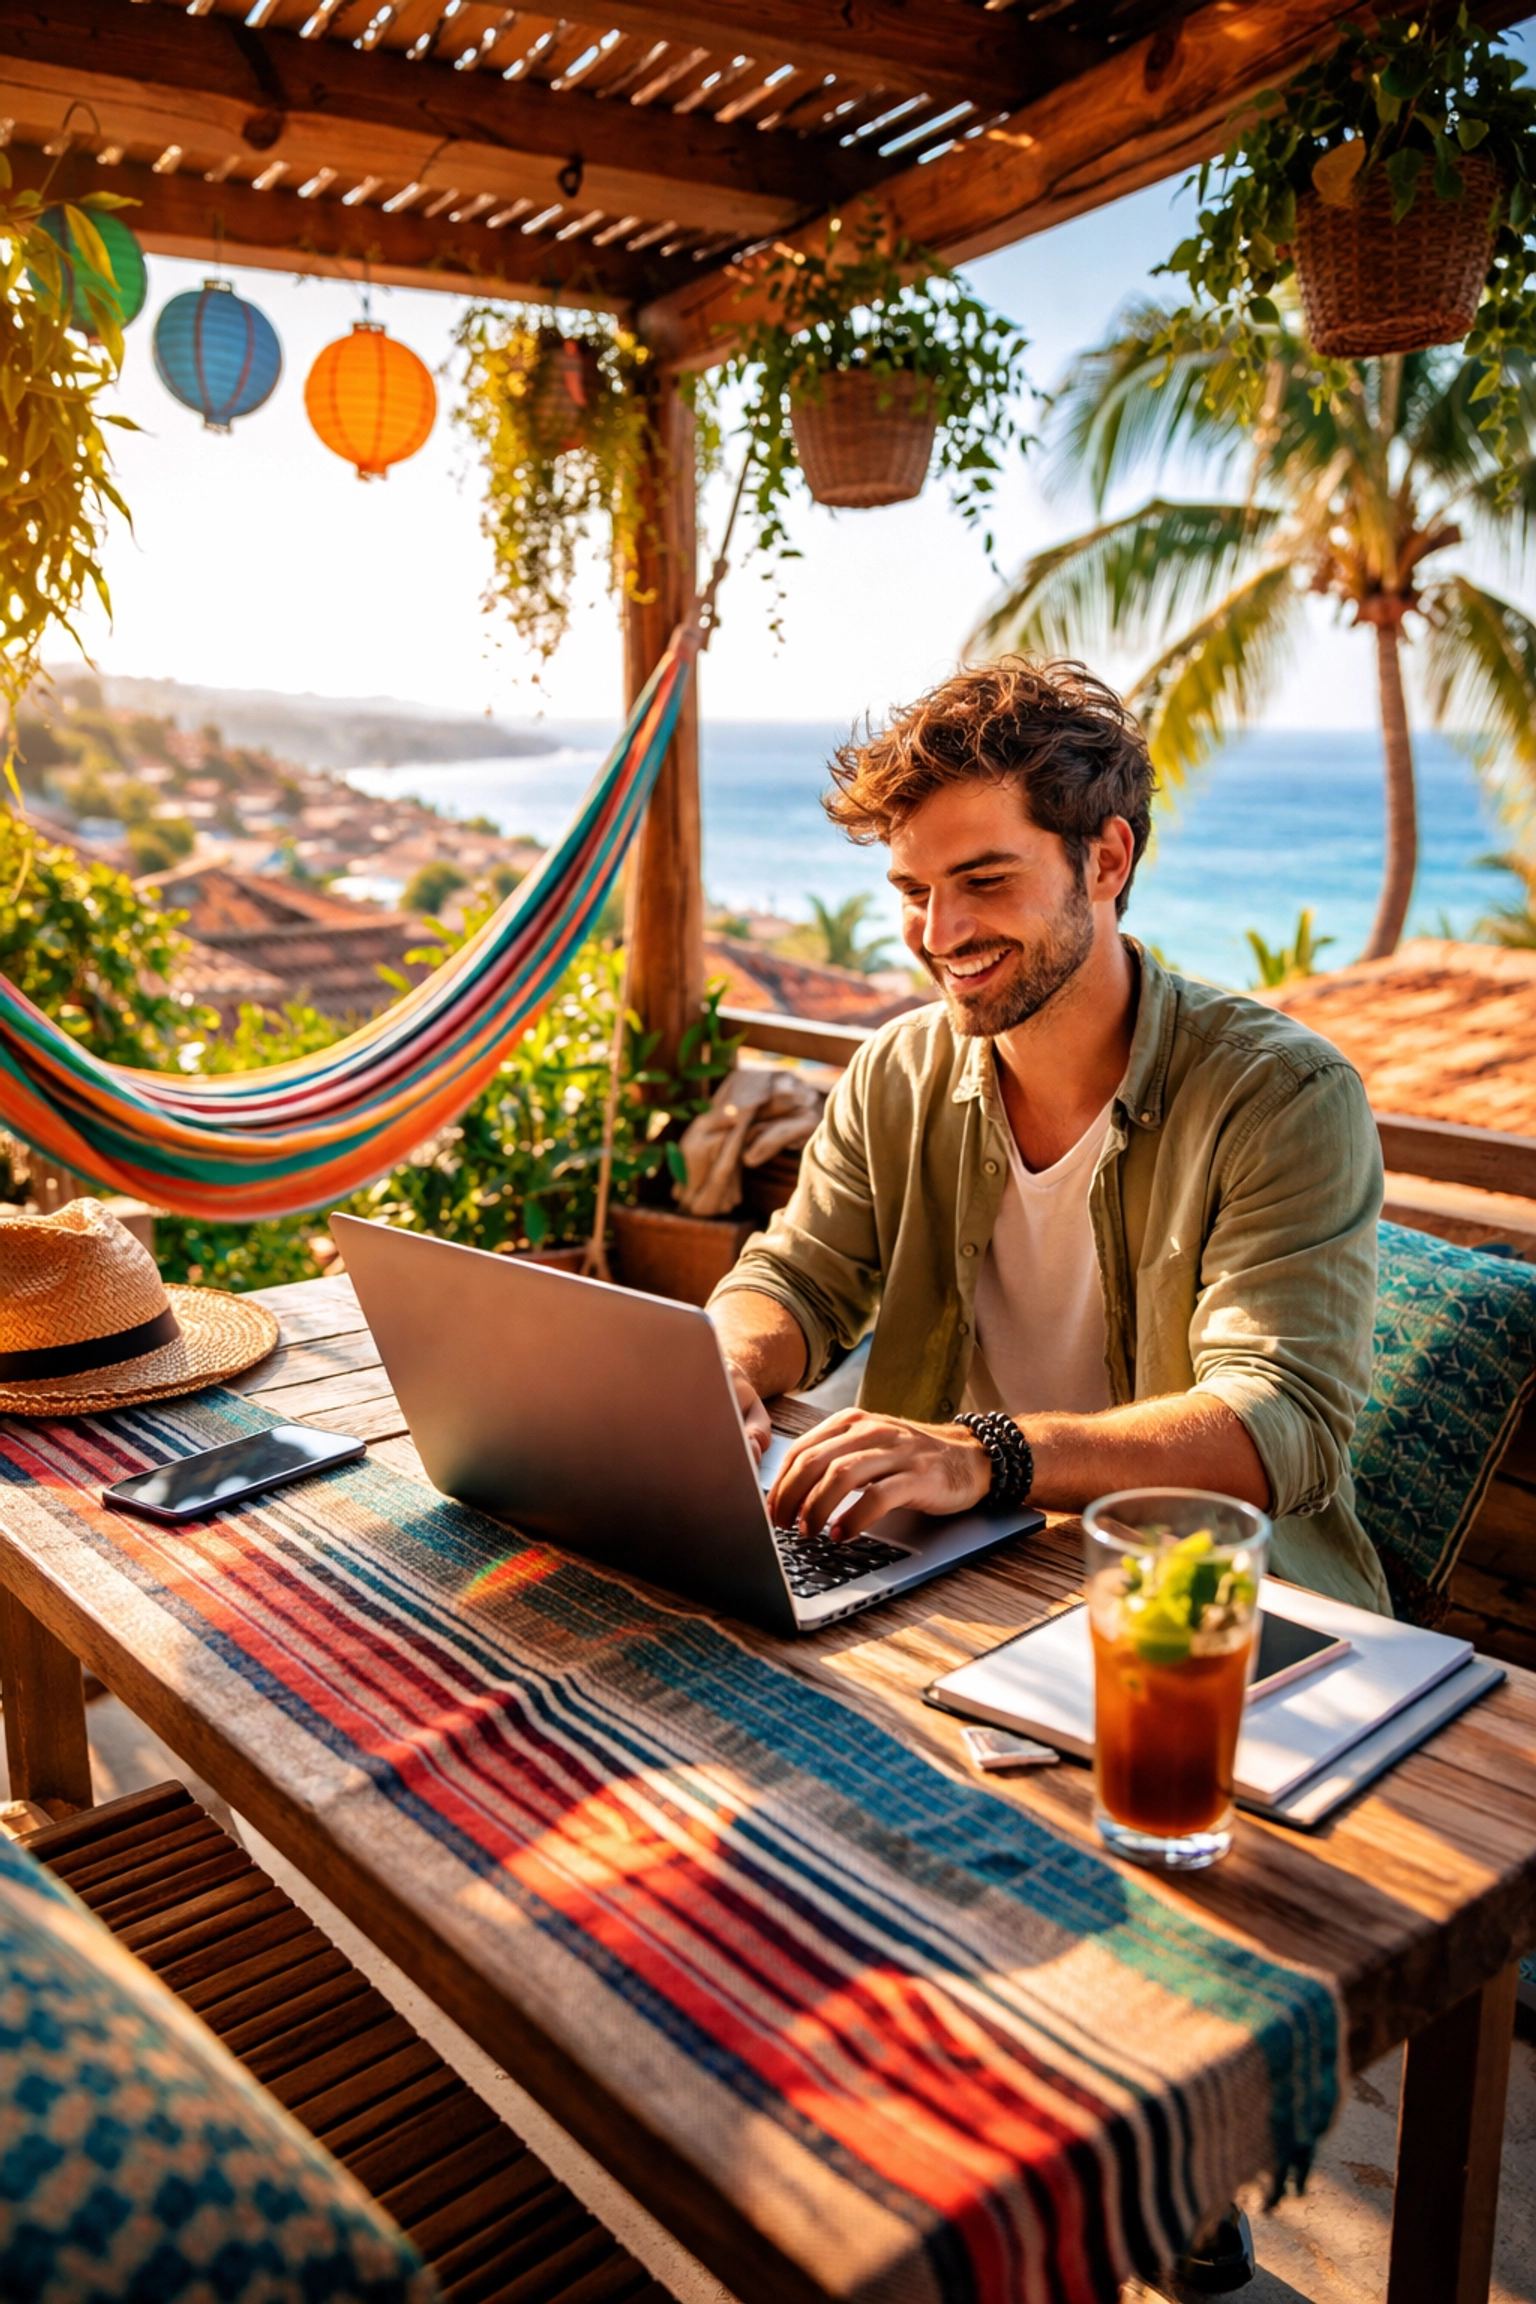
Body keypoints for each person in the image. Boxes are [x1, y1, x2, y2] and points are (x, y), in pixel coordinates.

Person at [709, 656, 1390, 1614]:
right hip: (968, 1571)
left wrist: (985, 1454)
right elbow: (796, 1279)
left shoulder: (1281, 1097)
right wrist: (726, 1369)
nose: (940, 933)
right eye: (913, 891)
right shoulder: (898, 1070)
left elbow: (1278, 1420)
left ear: (1106, 861)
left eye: (983, 879)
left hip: (1224, 1610)